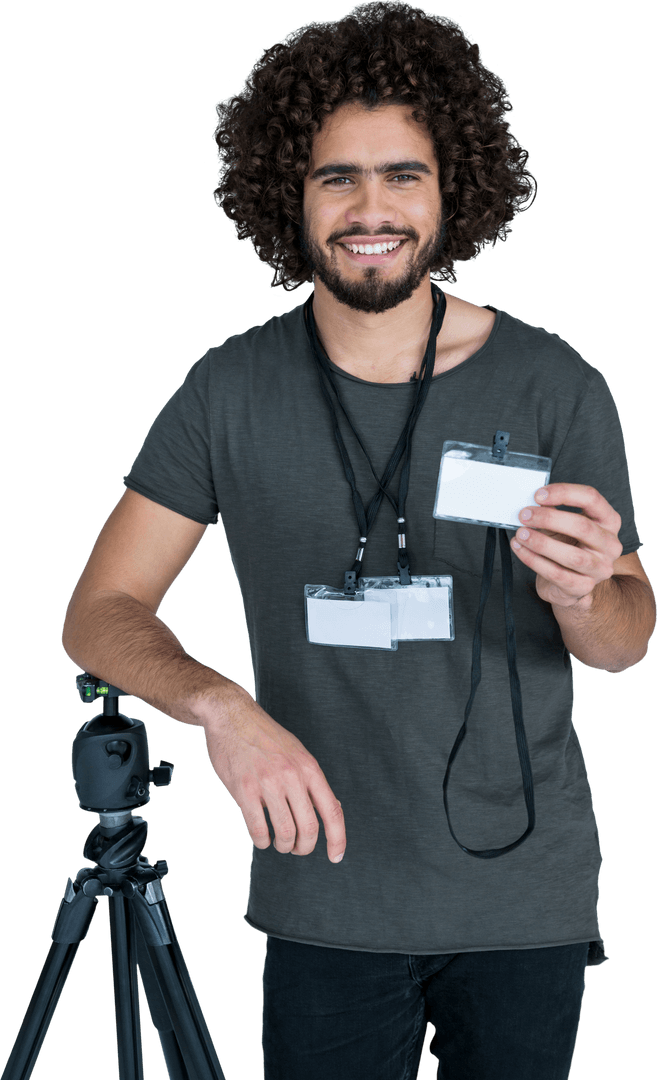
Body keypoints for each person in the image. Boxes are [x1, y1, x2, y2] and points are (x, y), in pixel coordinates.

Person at [62, 3, 655, 1078]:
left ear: (451, 192)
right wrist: (220, 707)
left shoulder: (556, 382)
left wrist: (582, 595)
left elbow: (623, 640)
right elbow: (97, 613)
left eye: (403, 175)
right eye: (337, 177)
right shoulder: (228, 388)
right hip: (325, 893)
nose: (370, 209)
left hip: (523, 895)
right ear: (288, 193)